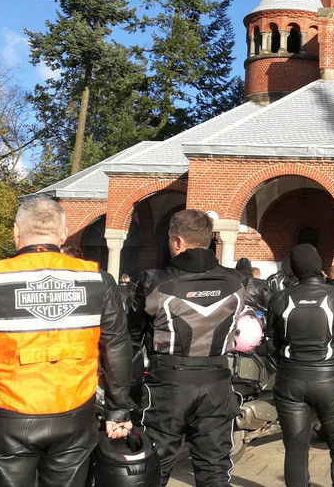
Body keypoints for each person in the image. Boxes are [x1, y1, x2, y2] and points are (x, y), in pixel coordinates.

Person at [0, 198, 132, 484]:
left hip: (8, 413)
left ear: (16, 232)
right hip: (76, 413)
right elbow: (115, 345)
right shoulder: (98, 280)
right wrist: (118, 408)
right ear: (63, 234)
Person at [129, 209, 245, 487]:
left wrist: (126, 396)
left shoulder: (152, 280)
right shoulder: (238, 281)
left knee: (154, 467)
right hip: (217, 382)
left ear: (178, 242)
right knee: (215, 470)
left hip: (168, 385)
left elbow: (130, 337)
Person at [266, 243, 334, 487]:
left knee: (295, 446)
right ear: (319, 267)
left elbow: (271, 345)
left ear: (294, 270)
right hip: (329, 378)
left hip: (290, 378)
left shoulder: (279, 299)